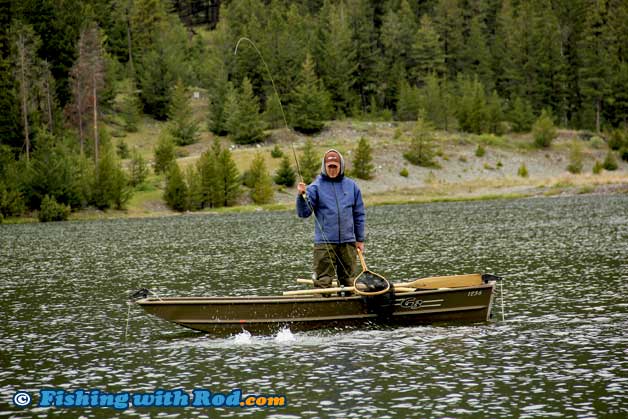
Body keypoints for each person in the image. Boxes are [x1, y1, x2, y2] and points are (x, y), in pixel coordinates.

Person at [296, 149, 366, 289]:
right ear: (325, 167)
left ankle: (349, 307)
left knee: (349, 282)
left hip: (348, 243)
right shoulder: (315, 187)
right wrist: (301, 196)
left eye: (335, 166)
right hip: (324, 244)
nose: (332, 170)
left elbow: (359, 215)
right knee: (323, 282)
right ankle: (323, 306)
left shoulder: (352, 186)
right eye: (330, 167)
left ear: (341, 166)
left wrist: (359, 239)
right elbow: (303, 213)